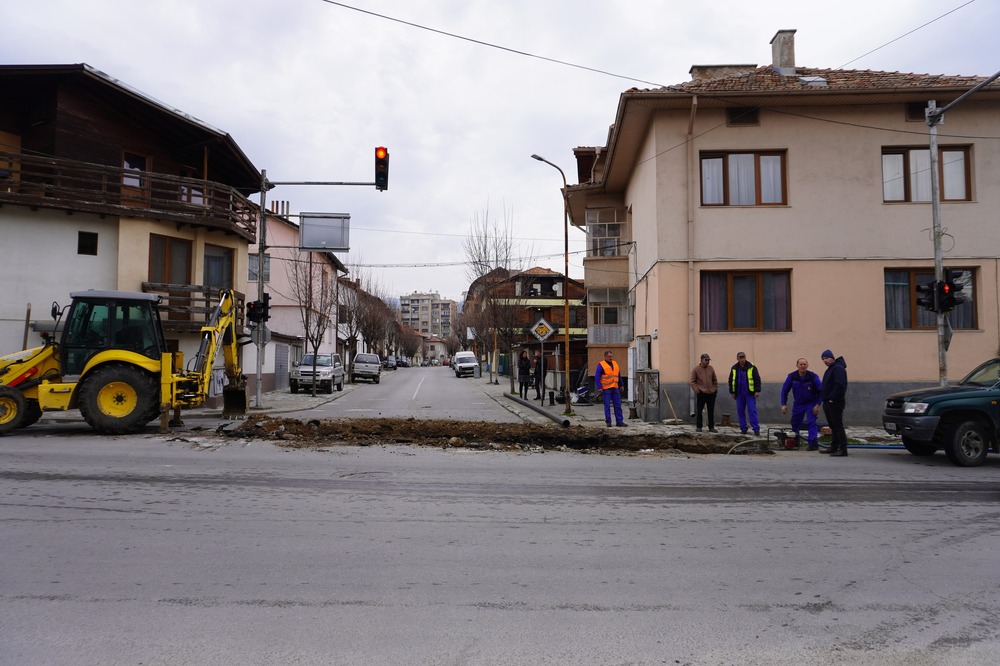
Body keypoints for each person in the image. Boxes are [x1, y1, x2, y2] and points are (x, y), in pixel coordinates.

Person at [780, 358, 823, 450]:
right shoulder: (792, 376)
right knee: (795, 422)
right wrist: (783, 404)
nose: (803, 366)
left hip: (811, 403)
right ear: (797, 365)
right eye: (801, 364)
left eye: (804, 364)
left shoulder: (813, 376)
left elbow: (822, 391)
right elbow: (784, 390)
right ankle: (795, 441)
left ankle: (813, 443)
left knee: (811, 422)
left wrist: (818, 404)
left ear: (807, 365)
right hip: (798, 404)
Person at [817, 349, 849, 456]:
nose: (825, 360)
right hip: (828, 401)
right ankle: (834, 447)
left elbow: (840, 385)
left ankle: (842, 449)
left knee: (837, 425)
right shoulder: (831, 369)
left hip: (835, 402)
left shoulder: (838, 368)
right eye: (823, 359)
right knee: (833, 425)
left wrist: (833, 398)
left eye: (826, 358)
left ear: (832, 358)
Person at [728, 352, 761, 436]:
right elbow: (731, 380)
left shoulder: (752, 367)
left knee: (752, 411)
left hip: (749, 393)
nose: (742, 359)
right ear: (737, 358)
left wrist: (757, 391)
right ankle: (743, 428)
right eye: (740, 357)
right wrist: (732, 392)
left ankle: (756, 429)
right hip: (739, 393)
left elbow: (757, 379)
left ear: (745, 358)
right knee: (740, 411)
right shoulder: (734, 368)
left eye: (743, 357)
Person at [595, 350, 626, 427]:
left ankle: (619, 421)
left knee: (618, 405)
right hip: (606, 388)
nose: (611, 358)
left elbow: (618, 375)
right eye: (609, 356)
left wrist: (621, 385)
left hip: (615, 388)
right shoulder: (601, 365)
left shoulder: (615, 364)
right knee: (607, 405)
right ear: (605, 357)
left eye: (611, 356)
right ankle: (608, 421)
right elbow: (597, 376)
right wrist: (599, 387)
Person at [690, 353, 718, 432]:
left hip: (711, 393)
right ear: (701, 360)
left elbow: (714, 379)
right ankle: (699, 426)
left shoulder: (711, 368)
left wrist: (715, 389)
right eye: (706, 360)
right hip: (701, 393)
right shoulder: (696, 369)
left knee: (711, 411)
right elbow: (692, 381)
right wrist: (697, 390)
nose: (708, 362)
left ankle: (711, 427)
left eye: (708, 360)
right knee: (699, 410)